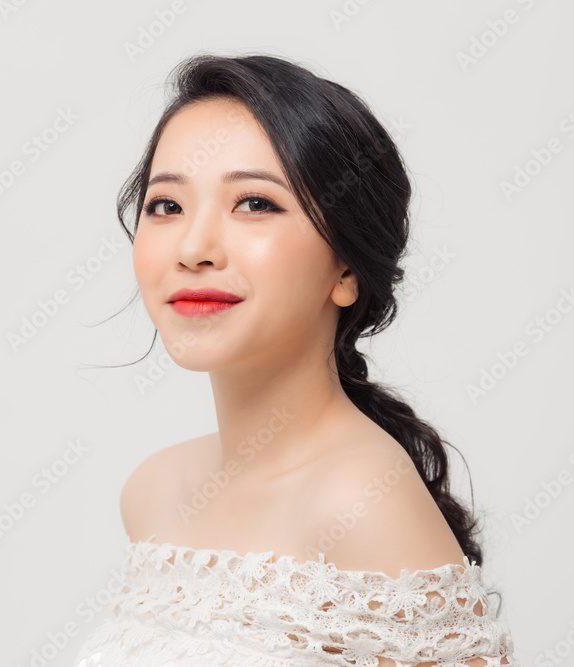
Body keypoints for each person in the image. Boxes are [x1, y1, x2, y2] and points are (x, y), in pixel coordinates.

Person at [74, 52, 518, 666]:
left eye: (255, 203)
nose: (194, 248)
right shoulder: (154, 492)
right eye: (167, 206)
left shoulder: (363, 501)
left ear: (345, 268)